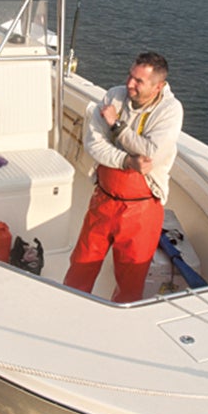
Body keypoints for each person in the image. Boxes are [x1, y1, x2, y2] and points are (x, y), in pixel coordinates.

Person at [63, 52, 184, 303]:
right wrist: (128, 161)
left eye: (139, 81)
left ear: (158, 86)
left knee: (131, 279)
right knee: (80, 265)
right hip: (103, 201)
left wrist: (116, 126)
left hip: (141, 209)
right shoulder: (113, 96)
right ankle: (67, 307)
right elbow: (94, 144)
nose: (129, 83)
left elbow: (151, 152)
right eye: (130, 75)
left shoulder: (170, 111)